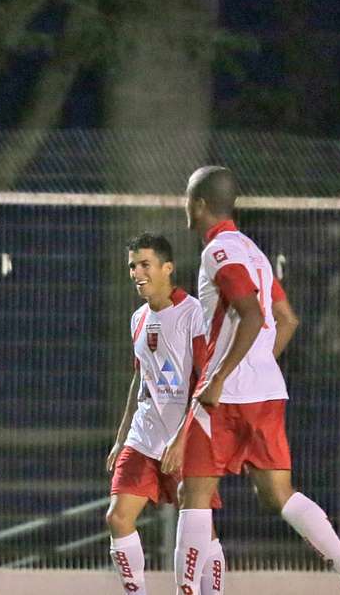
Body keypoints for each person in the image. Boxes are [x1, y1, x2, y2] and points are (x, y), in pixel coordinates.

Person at [165, 166, 340, 595]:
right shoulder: (254, 251)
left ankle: (186, 590)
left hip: (224, 397)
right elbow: (288, 319)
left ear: (199, 205)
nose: (184, 206)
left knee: (194, 494)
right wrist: (259, 361)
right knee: (279, 494)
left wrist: (223, 376)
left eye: (187, 198)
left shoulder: (217, 252)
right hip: (266, 392)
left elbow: (252, 313)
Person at [106, 233, 224, 594]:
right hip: (144, 436)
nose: (136, 273)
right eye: (132, 266)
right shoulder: (138, 319)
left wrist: (183, 438)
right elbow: (140, 377)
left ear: (167, 268)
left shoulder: (193, 314)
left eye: (145, 264)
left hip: (189, 437)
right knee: (118, 518)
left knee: (203, 529)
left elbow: (205, 379)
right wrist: (121, 438)